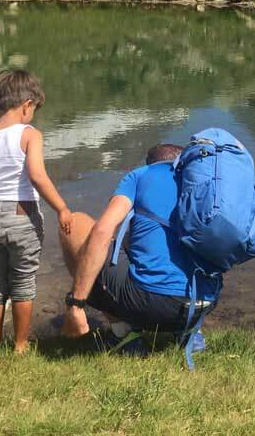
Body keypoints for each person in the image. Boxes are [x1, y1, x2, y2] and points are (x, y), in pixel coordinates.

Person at [0, 69, 74, 353]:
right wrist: (62, 208)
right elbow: (37, 176)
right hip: (22, 214)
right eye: (35, 109)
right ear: (27, 105)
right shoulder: (29, 134)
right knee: (23, 281)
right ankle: (20, 346)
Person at [60, 144, 218, 344]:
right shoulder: (202, 183)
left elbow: (102, 230)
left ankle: (124, 335)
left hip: (153, 307)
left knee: (74, 223)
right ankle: (190, 333)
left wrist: (76, 303)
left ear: (151, 163)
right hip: (205, 302)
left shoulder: (141, 175)